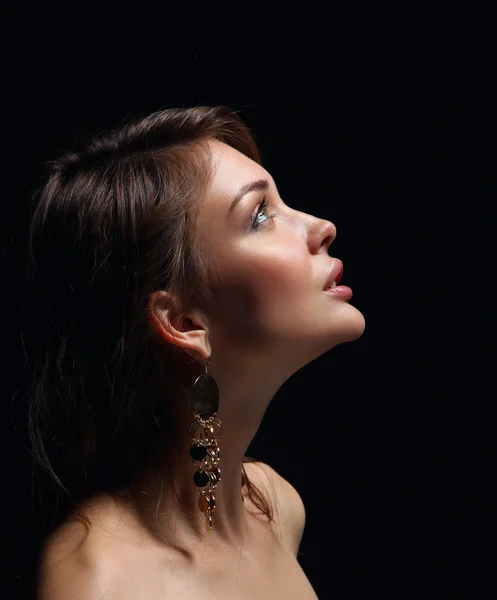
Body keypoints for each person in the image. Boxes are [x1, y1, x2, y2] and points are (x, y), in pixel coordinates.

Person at [24, 105, 366, 599]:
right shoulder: (100, 580)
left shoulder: (273, 505)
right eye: (261, 216)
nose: (322, 226)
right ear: (184, 323)